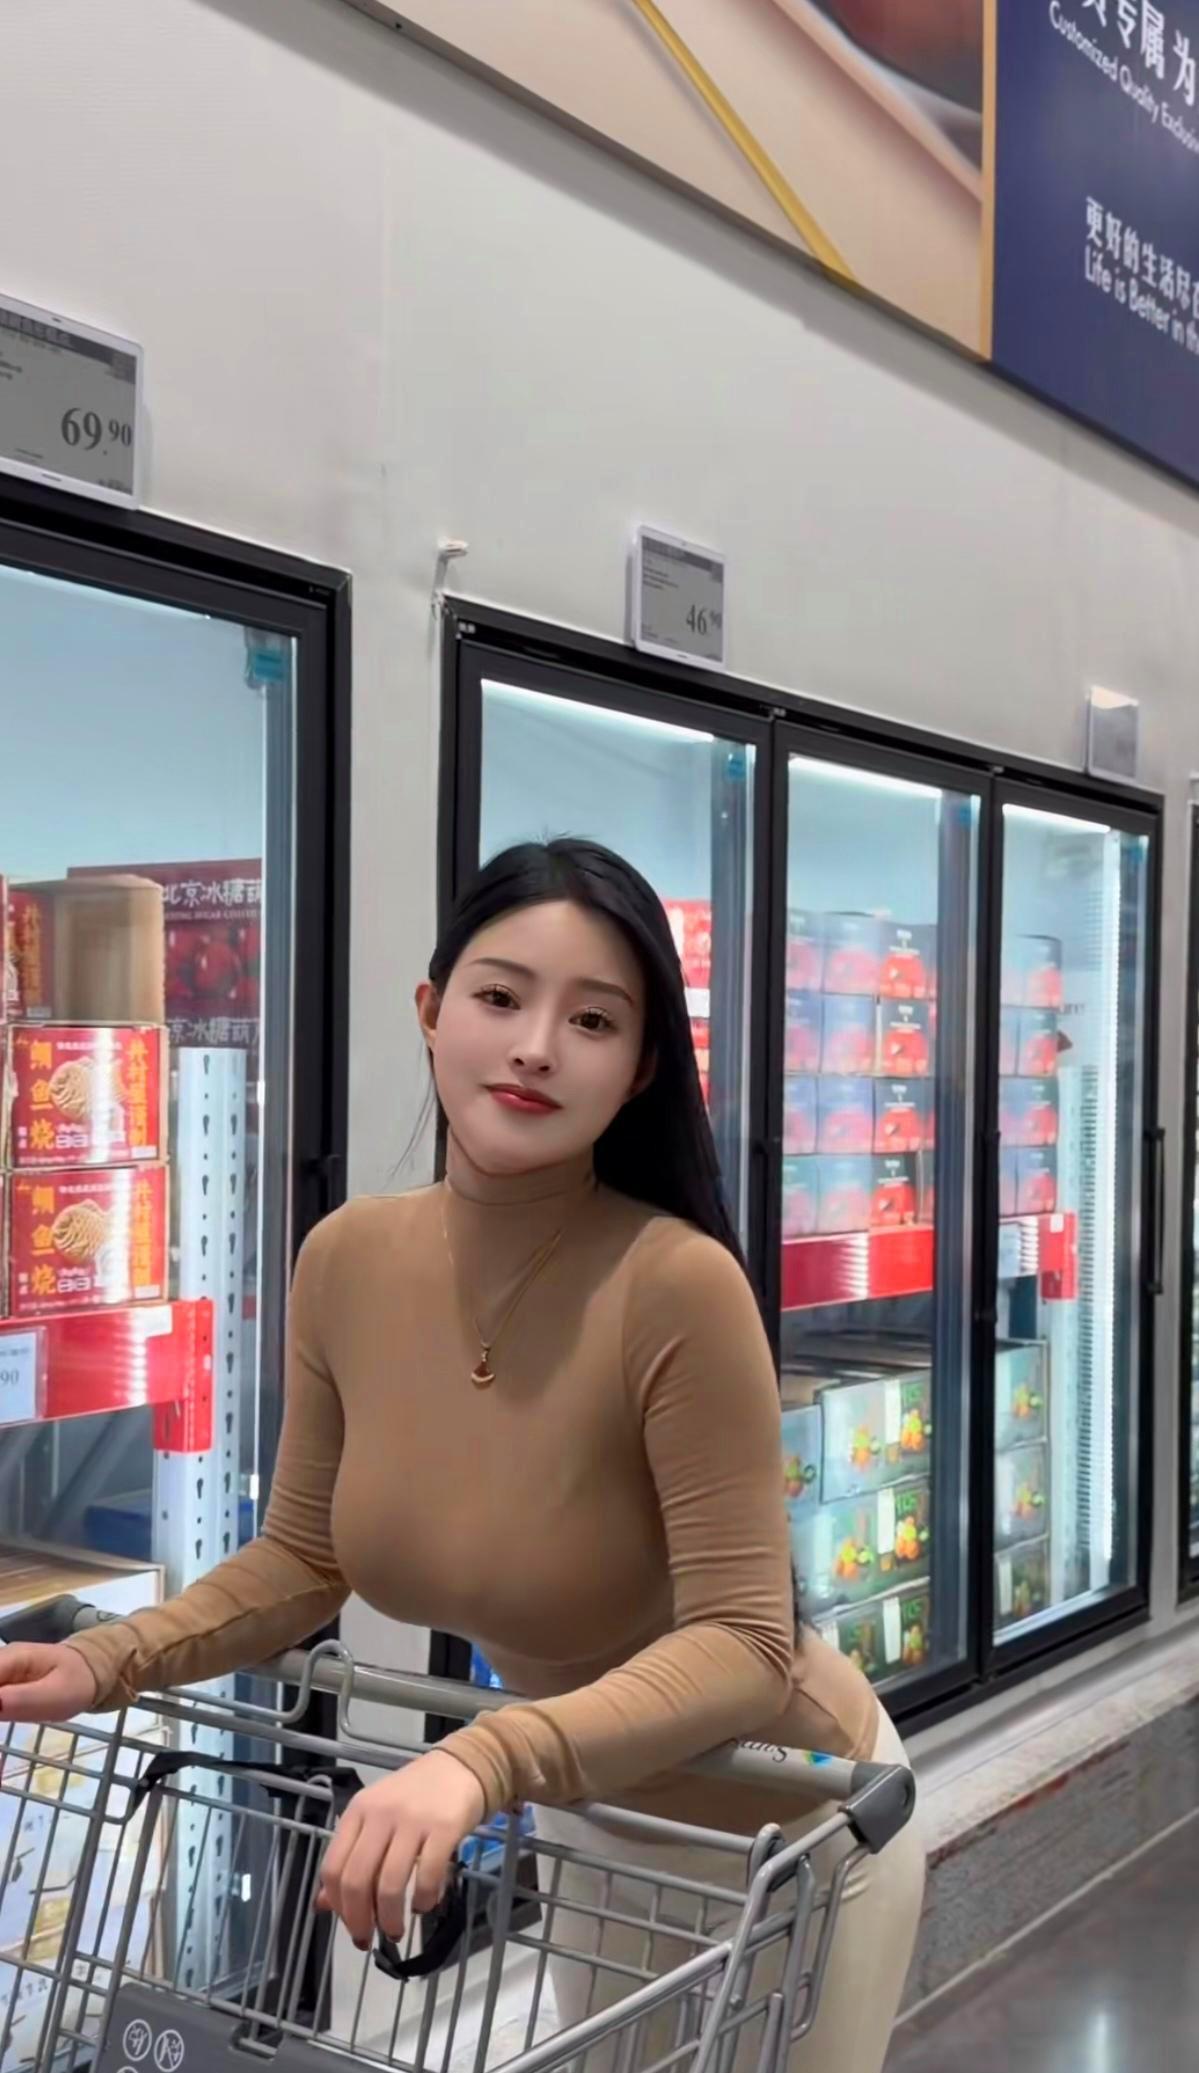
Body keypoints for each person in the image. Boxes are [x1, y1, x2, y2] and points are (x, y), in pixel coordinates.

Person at [0, 839, 924, 2072]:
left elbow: (746, 1643)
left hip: (798, 1831)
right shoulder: (347, 1260)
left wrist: (482, 1760)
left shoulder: (676, 1286)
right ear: (432, 1010)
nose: (535, 1047)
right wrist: (104, 1660)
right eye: (500, 997)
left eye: (591, 1020)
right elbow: (304, 1558)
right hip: (595, 1820)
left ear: (640, 1065)